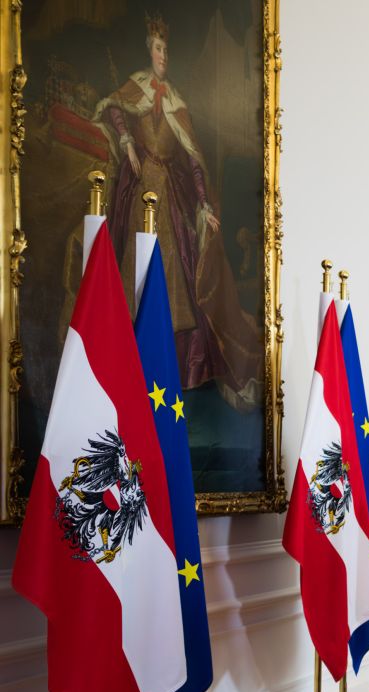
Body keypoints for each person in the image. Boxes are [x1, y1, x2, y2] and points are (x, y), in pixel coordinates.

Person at [96, 13, 260, 407]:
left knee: (173, 271)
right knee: (133, 268)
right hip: (139, 191)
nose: (163, 56)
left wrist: (203, 203)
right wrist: (126, 142)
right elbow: (114, 108)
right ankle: (130, 361)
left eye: (167, 50)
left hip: (169, 194)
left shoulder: (177, 101)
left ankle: (167, 366)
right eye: (158, 48)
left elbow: (193, 160)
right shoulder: (136, 86)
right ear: (149, 50)